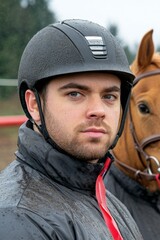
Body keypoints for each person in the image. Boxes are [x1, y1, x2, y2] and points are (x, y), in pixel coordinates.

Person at [0, 19, 143, 240]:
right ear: (34, 105)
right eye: (75, 94)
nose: (98, 110)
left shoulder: (108, 203)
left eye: (109, 96)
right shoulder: (17, 218)